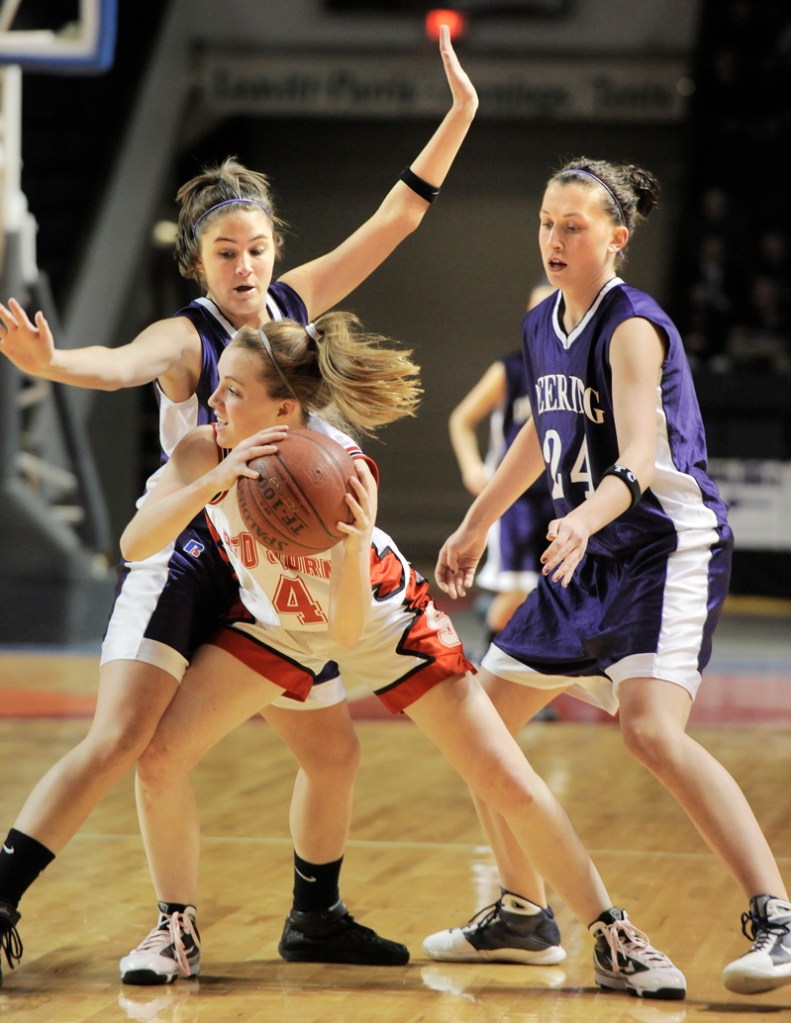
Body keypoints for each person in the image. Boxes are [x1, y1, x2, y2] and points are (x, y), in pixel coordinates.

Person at [0, 25, 477, 986]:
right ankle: (52, 901)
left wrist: (460, 113)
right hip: (186, 549)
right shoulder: (188, 337)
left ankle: (315, 915)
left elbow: (394, 220)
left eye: (257, 248)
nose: (246, 266)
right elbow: (119, 364)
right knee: (125, 739)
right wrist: (52, 364)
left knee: (331, 752)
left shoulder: (294, 308)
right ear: (198, 261)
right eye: (226, 252)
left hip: (271, 565)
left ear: (274, 251)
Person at [120, 311, 686, 1001]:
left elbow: (345, 629)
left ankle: (611, 933)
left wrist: (356, 544)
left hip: (382, 619)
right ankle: (175, 929)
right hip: (277, 622)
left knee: (503, 777)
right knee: (159, 755)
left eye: (232, 391)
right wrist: (211, 485)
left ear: (284, 408)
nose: (213, 399)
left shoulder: (339, 472)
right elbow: (134, 543)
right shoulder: (203, 450)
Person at [424, 157, 791, 997]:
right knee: (478, 725)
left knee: (650, 731)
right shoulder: (540, 322)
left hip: (662, 545)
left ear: (615, 237)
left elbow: (637, 456)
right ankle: (522, 912)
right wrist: (475, 523)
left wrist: (582, 519)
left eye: (572, 226)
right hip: (585, 552)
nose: (552, 238)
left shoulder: (631, 325)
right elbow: (537, 433)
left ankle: (776, 915)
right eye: (545, 223)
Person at [447, 282, 554, 649]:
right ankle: (491, 657)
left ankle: (517, 656)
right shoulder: (510, 369)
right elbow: (462, 419)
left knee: (552, 591)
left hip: (560, 496)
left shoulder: (580, 369)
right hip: (516, 500)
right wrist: (471, 467)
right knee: (519, 590)